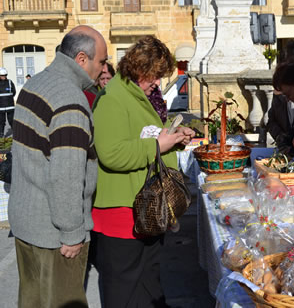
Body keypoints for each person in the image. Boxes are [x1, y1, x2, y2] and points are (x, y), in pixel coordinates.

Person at [91, 35, 195, 308]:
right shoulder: (112, 98)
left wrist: (173, 133)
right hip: (121, 214)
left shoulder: (136, 95)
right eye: (155, 75)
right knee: (124, 293)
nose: (158, 82)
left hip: (145, 211)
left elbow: (141, 132)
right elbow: (112, 153)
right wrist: (159, 144)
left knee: (149, 286)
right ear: (138, 69)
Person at [8, 25, 108, 307]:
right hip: (54, 235)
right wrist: (73, 233)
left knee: (32, 301)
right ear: (81, 59)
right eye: (101, 61)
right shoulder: (70, 101)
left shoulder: (36, 83)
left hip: (27, 223)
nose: (104, 69)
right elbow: (66, 176)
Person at [0, 67, 16, 138]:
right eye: (2, 75)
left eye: (5, 75)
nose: (4, 77)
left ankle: (16, 134)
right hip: (0, 107)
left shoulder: (10, 82)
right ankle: (1, 134)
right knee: (1, 122)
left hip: (10, 106)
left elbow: (14, 92)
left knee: (12, 121)